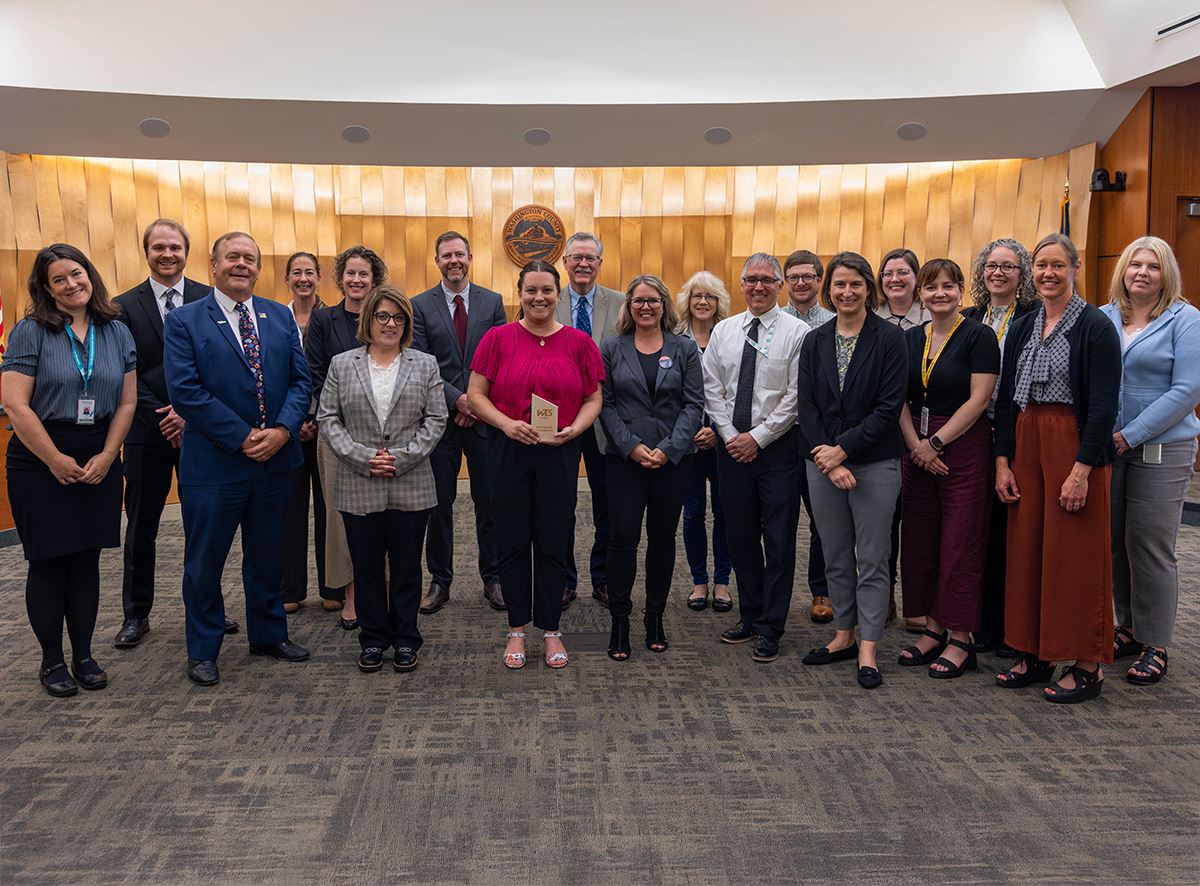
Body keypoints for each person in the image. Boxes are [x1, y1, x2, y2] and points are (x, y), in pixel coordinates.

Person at [164, 231, 312, 687]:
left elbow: (300, 382)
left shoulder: (278, 316)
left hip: (273, 461)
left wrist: (283, 431)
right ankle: (204, 648)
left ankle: (268, 634)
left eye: (249, 258)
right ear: (213, 265)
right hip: (215, 466)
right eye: (232, 257)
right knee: (205, 562)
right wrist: (244, 436)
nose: (241, 265)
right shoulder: (185, 320)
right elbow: (186, 392)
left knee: (268, 555)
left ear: (259, 267)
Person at [2, 244, 137, 697]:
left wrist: (108, 454)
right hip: (40, 457)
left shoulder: (116, 330)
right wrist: (54, 459)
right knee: (48, 562)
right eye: (58, 279)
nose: (71, 284)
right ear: (46, 288)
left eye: (76, 274)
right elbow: (16, 406)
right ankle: (52, 661)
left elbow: (127, 402)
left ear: (90, 275)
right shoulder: (30, 331)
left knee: (86, 561)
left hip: (99, 454)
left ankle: (84, 654)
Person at [993, 233, 1121, 704]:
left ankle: (1088, 664)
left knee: (1074, 557)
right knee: (1027, 551)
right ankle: (1036, 650)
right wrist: (1002, 461)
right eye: (1041, 266)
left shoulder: (1096, 327)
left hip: (1074, 446)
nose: (1048, 273)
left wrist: (1082, 470)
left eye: (1057, 265)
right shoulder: (1025, 326)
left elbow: (1105, 405)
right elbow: (1007, 399)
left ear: (1075, 268)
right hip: (1027, 442)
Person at [468, 261, 603, 670]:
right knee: (510, 538)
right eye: (531, 291)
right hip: (508, 449)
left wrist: (575, 429)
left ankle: (550, 628)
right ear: (520, 293)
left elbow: (593, 398)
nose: (539, 298)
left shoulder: (579, 343)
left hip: (559, 450)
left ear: (558, 293)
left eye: (547, 290)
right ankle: (515, 630)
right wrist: (507, 424)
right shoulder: (497, 338)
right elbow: (476, 395)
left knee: (552, 538)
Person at [113, 219, 237, 647]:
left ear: (188, 252)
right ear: (146, 252)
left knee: (204, 527)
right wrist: (165, 415)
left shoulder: (212, 298)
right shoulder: (122, 306)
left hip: (202, 434)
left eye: (175, 248)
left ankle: (207, 610)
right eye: (158, 248)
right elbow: (123, 372)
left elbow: (223, 369)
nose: (168, 255)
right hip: (147, 434)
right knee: (141, 525)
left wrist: (188, 415)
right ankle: (136, 614)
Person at [317, 285, 447, 673]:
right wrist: (365, 457)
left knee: (407, 568)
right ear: (368, 319)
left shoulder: (425, 364)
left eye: (398, 318)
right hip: (359, 481)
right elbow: (328, 418)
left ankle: (406, 639)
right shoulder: (342, 364)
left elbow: (436, 419)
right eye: (382, 316)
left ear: (406, 324)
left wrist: (401, 459)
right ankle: (373, 639)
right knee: (368, 567)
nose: (390, 324)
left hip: (411, 482)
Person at [796, 252, 906, 689]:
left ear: (868, 289)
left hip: (875, 462)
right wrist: (827, 457)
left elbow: (888, 407)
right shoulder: (815, 339)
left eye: (856, 285)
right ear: (830, 290)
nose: (847, 292)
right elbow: (806, 406)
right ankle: (843, 634)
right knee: (836, 555)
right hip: (821, 463)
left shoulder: (890, 339)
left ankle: (869, 647)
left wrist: (842, 451)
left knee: (873, 557)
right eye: (839, 285)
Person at [1102, 236, 1200, 686]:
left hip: (1162, 448)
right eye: (1134, 264)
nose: (1142, 272)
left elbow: (1187, 391)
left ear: (1167, 275)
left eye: (1153, 266)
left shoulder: (1186, 319)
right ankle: (1128, 626)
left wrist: (1130, 435)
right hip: (1107, 447)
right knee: (1114, 543)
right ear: (1123, 270)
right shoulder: (1103, 317)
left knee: (1150, 546)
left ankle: (1155, 642)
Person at [703, 253, 808, 663]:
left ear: (780, 285)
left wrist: (758, 438)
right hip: (731, 449)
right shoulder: (724, 331)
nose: (759, 287)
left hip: (778, 449)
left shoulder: (798, 333)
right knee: (740, 537)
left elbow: (796, 397)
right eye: (751, 280)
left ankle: (771, 626)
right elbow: (711, 388)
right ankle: (750, 615)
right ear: (741, 284)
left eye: (767, 280)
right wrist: (731, 436)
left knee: (780, 540)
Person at [897, 259, 999, 678]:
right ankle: (932, 629)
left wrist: (936, 443)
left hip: (962, 445)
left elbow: (979, 400)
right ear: (920, 293)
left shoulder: (979, 335)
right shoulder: (907, 339)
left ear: (961, 291)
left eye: (948, 286)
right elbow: (896, 399)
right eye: (930, 287)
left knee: (960, 543)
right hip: (915, 445)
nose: (939, 294)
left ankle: (961, 638)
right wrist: (916, 447)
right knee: (921, 541)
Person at [599, 275, 703, 660]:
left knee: (662, 537)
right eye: (639, 300)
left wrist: (668, 448)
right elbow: (605, 404)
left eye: (653, 300)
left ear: (664, 305)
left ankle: (654, 616)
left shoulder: (685, 348)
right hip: (625, 459)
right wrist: (632, 447)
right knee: (622, 537)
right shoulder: (611, 347)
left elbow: (694, 404)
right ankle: (620, 619)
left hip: (672, 460)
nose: (646, 307)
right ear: (629, 305)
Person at [411, 231, 508, 614]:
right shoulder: (419, 305)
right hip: (440, 420)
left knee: (491, 502)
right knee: (439, 504)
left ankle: (494, 578)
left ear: (471, 257)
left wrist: (476, 404)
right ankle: (440, 580)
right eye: (446, 255)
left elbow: (500, 359)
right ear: (437, 261)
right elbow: (422, 361)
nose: (454, 261)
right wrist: (460, 400)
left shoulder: (493, 302)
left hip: (485, 421)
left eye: (460, 254)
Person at [961, 238, 1037, 656]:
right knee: (980, 534)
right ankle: (984, 625)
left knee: (1014, 535)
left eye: (1009, 266)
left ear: (1021, 274)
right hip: (971, 434)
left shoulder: (1033, 317)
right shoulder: (969, 318)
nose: (998, 273)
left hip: (1016, 434)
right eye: (991, 265)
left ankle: (1015, 627)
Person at [306, 245, 388, 628]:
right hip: (338, 433)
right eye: (351, 273)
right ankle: (352, 592)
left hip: (385, 432)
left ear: (375, 280)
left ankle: (383, 587)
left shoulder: (388, 317)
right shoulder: (323, 321)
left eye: (364, 275)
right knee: (343, 518)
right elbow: (315, 373)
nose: (357, 280)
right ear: (341, 279)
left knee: (385, 512)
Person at [556, 231, 622, 610]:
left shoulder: (622, 303)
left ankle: (604, 578)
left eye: (590, 258)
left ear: (600, 262)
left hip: (607, 420)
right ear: (565, 262)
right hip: (561, 422)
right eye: (576, 257)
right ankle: (564, 580)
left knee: (609, 505)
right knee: (560, 504)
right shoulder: (547, 298)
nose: (583, 264)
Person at [280, 251, 340, 614]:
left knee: (329, 508)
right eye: (296, 272)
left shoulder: (332, 319)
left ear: (319, 278)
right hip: (286, 428)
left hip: (328, 426)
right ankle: (290, 589)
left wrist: (316, 416)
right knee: (289, 508)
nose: (303, 278)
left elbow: (330, 373)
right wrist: (294, 420)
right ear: (288, 278)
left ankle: (332, 585)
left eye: (309, 272)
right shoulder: (270, 317)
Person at [675, 271, 733, 613]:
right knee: (693, 513)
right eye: (696, 295)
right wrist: (692, 430)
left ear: (718, 303)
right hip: (687, 444)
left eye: (709, 297)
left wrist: (716, 428)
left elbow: (736, 389)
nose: (702, 302)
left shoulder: (730, 337)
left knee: (726, 512)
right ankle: (699, 581)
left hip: (725, 441)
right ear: (687, 300)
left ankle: (723, 582)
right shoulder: (675, 339)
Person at [781, 249, 834, 625]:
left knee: (823, 520)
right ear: (786, 282)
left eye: (808, 277)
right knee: (779, 519)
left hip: (822, 438)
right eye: (794, 277)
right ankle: (773, 592)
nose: (801, 283)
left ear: (819, 281)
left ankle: (822, 589)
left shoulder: (835, 323)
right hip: (780, 438)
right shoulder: (772, 322)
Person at [875, 247, 926, 631]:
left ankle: (919, 601)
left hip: (927, 431)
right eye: (889, 273)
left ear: (916, 278)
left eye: (903, 273)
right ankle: (884, 595)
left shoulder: (933, 316)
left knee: (919, 520)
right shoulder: (869, 318)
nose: (895, 280)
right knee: (882, 522)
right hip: (879, 433)